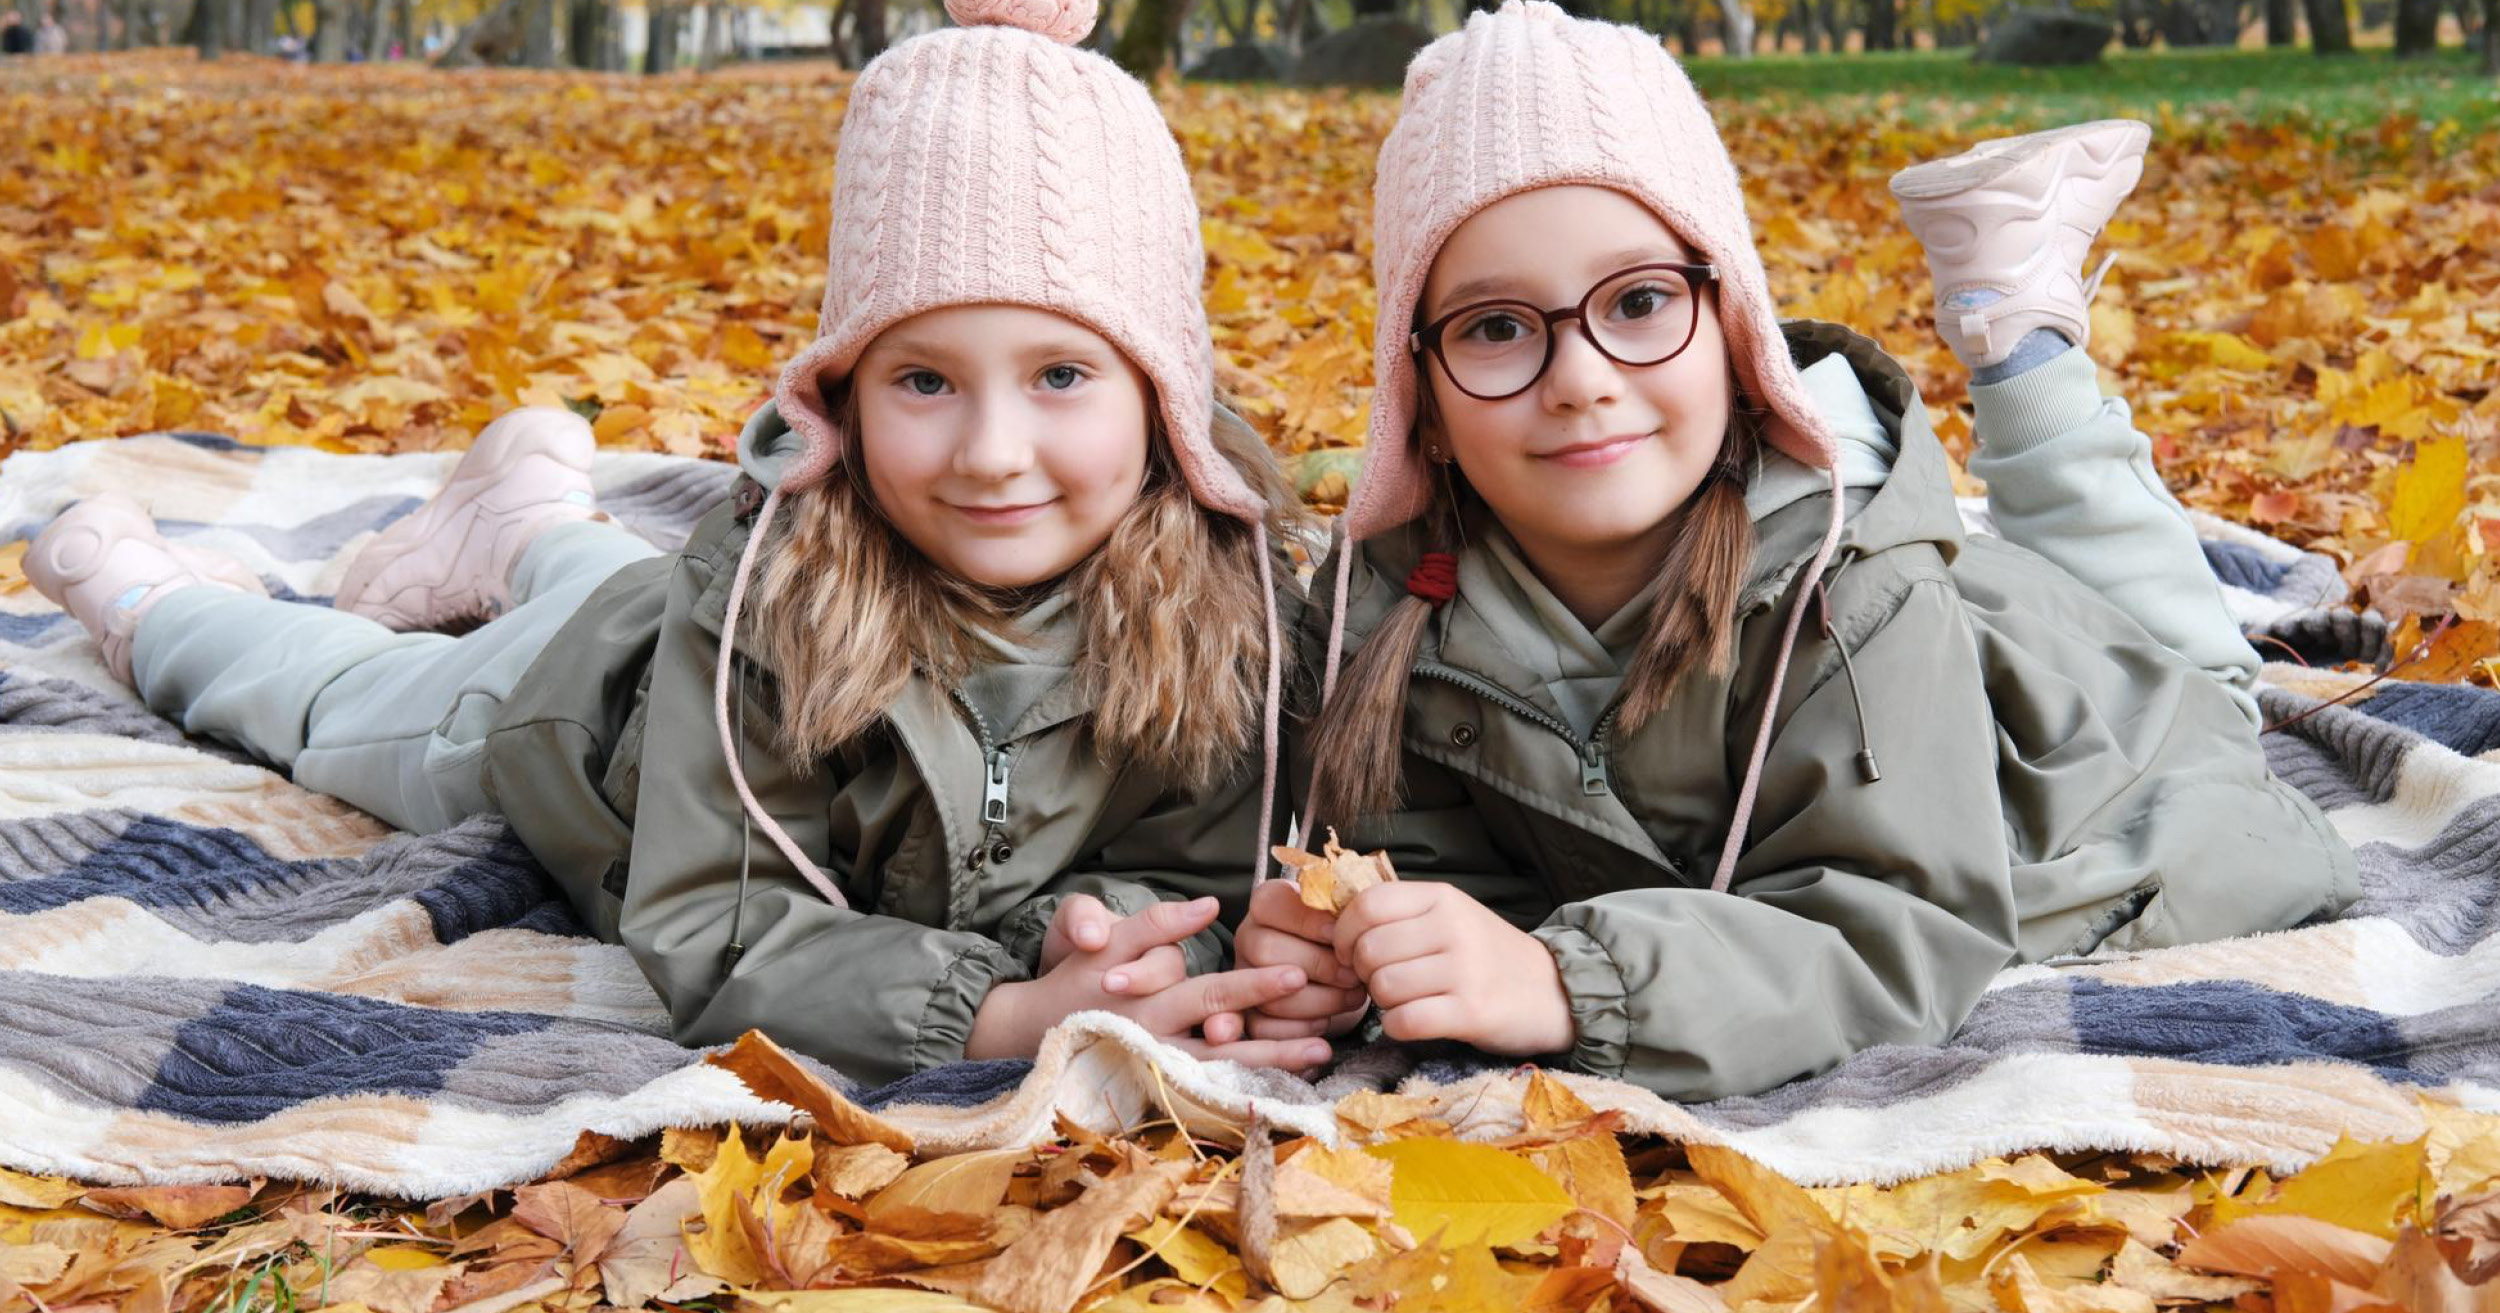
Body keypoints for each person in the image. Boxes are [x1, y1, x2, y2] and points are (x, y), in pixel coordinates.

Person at [24, 0, 1329, 1087]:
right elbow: (714, 917)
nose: (991, 450)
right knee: (339, 698)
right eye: (923, 381)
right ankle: (162, 610)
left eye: (1060, 376)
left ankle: (533, 525)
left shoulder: (1223, 611)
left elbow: (1191, 860)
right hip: (575, 726)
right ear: (840, 399)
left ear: (1163, 402)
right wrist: (989, 1017)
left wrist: (1108, 946)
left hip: (652, 613)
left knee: (625, 582)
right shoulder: (771, 593)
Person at [1237, 1, 2359, 1099]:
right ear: (1419, 395)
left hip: (2065, 750)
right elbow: (1453, 875)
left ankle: (2023, 341)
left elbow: (1899, 925)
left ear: (1732, 331)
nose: (1580, 377)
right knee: (2008, 585)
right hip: (1947, 615)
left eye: (1637, 301)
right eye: (1494, 326)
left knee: (2205, 684)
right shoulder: (1382, 614)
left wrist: (1575, 979)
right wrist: (1362, 953)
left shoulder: (1859, 594)